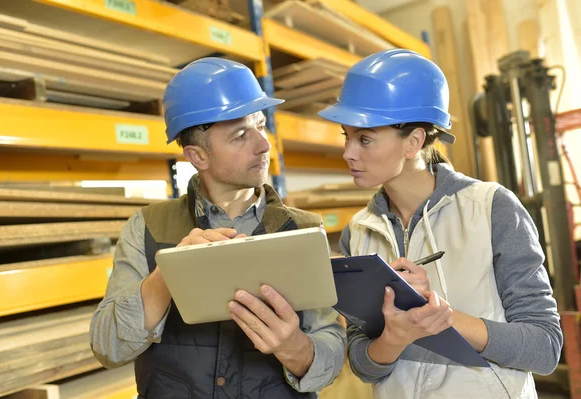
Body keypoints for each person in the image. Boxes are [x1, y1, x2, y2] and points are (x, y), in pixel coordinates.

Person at [90, 57, 345, 399]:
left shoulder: (301, 230)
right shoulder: (147, 228)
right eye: (241, 135)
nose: (264, 144)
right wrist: (168, 274)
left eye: (261, 124)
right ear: (198, 157)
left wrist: (294, 347)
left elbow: (332, 350)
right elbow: (108, 347)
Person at [318, 49, 563, 398]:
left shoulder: (491, 208)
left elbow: (544, 347)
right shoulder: (358, 232)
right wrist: (395, 337)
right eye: (347, 135)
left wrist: (438, 316)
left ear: (414, 142)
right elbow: (363, 364)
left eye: (365, 139)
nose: (348, 153)